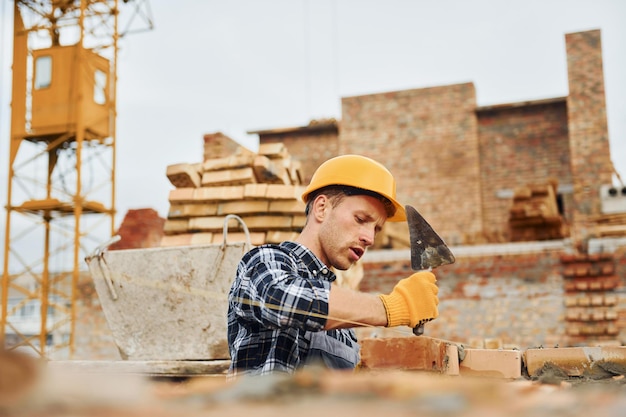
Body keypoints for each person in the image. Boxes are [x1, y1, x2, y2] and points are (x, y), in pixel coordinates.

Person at [227, 154, 439, 376]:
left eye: (376, 228)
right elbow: (283, 300)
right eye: (361, 219)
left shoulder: (343, 326)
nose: (370, 238)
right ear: (321, 208)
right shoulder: (265, 262)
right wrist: (393, 307)